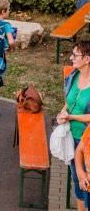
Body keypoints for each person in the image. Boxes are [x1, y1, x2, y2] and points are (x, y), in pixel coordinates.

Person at [57, 41, 90, 211]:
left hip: (86, 140)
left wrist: (71, 116)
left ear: (87, 59)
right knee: (77, 179)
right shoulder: (73, 76)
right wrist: (63, 113)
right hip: (71, 136)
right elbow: (69, 102)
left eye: (75, 55)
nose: (71, 58)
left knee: (87, 182)